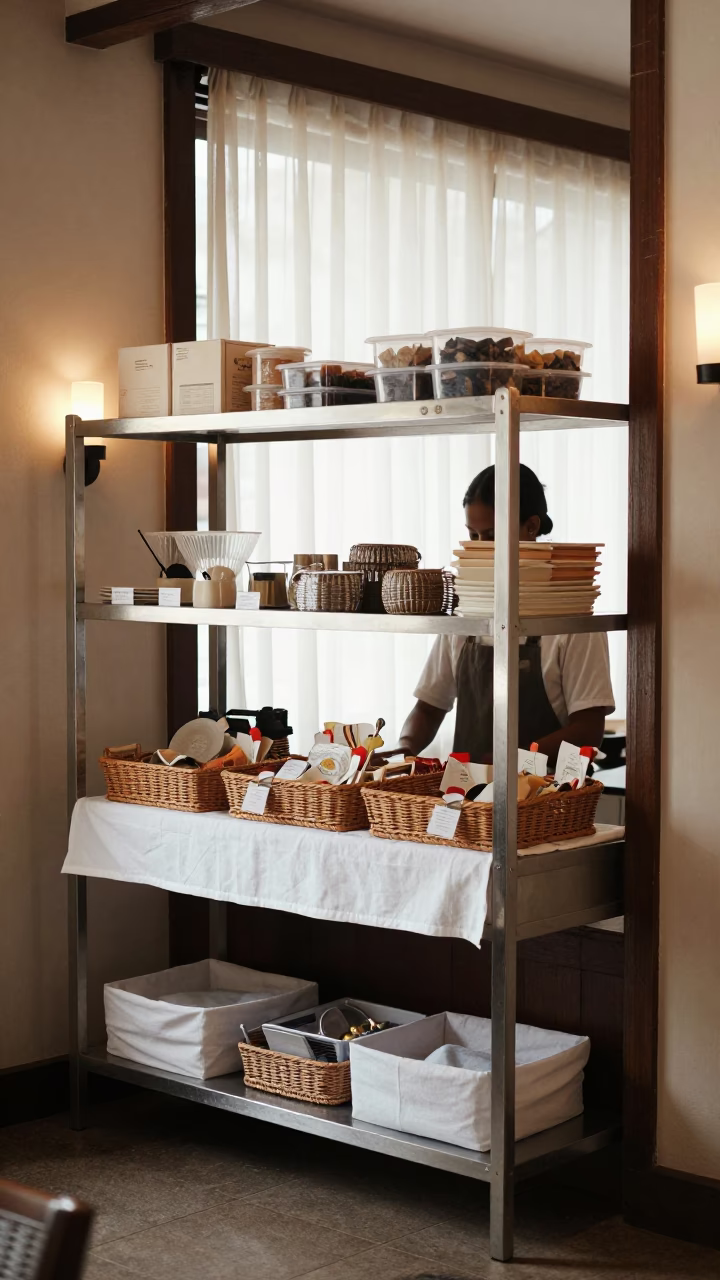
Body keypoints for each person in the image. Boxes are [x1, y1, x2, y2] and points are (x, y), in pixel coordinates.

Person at [398, 464, 614, 764]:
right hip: (467, 798)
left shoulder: (571, 618)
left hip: (547, 798)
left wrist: (509, 762)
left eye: (492, 535)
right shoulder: (468, 612)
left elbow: (589, 730)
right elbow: (429, 707)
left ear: (532, 526)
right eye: (473, 535)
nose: (481, 548)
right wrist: (404, 749)